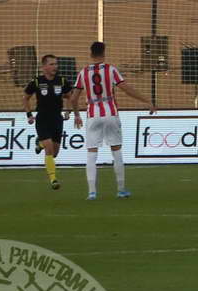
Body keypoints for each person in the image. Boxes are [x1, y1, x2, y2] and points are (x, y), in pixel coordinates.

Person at [75, 40, 131, 200]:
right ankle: (121, 190)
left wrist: (77, 114)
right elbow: (126, 89)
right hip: (110, 112)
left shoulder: (83, 72)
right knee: (117, 151)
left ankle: (92, 192)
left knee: (92, 153)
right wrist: (146, 101)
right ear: (104, 53)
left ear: (90, 54)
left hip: (93, 114)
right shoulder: (111, 70)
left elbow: (73, 98)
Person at [24, 53, 71, 190]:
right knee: (49, 150)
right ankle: (53, 179)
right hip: (43, 118)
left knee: (55, 153)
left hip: (57, 119)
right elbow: (25, 98)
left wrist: (68, 111)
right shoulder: (37, 82)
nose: (55, 67)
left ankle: (39, 143)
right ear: (44, 67)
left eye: (56, 64)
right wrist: (29, 114)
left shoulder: (62, 81)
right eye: (51, 64)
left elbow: (69, 97)